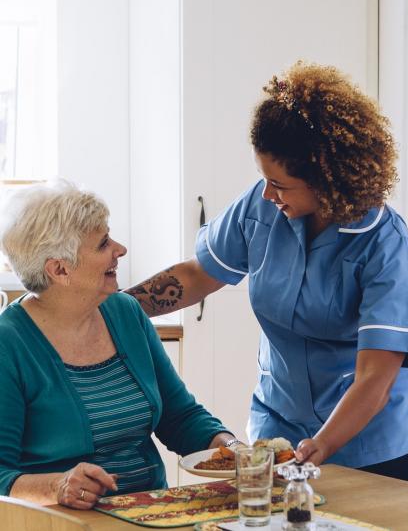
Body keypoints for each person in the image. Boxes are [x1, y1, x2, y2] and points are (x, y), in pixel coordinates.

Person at [127, 62, 408, 482]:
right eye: (263, 179)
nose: (268, 193)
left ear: (327, 179)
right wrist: (114, 309)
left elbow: (375, 378)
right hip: (280, 425)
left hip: (368, 440)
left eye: (281, 184)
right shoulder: (262, 204)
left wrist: (322, 445)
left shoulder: (387, 246)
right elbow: (198, 275)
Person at [0, 181, 238, 509]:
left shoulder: (125, 313)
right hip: (61, 522)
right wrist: (58, 486)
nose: (120, 249)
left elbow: (179, 417)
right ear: (60, 269)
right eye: (103, 244)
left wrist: (233, 450)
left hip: (150, 512)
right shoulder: (8, 344)